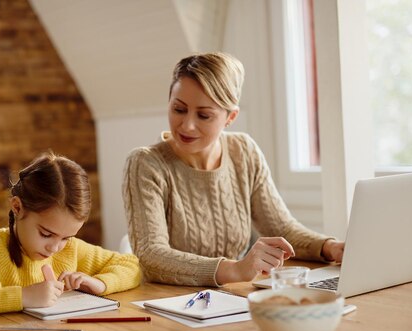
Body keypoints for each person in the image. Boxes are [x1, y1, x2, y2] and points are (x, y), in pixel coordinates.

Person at [122, 52, 344, 287]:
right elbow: (151, 255)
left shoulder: (243, 151)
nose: (187, 125)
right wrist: (235, 270)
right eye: (179, 109)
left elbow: (281, 229)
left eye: (204, 115)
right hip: (168, 303)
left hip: (230, 299)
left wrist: (330, 247)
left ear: (230, 117)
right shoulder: (145, 163)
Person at [0, 152, 141, 316]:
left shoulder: (70, 250)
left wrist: (99, 283)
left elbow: (132, 266)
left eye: (66, 237)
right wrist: (23, 296)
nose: (55, 248)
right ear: (17, 207)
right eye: (45, 234)